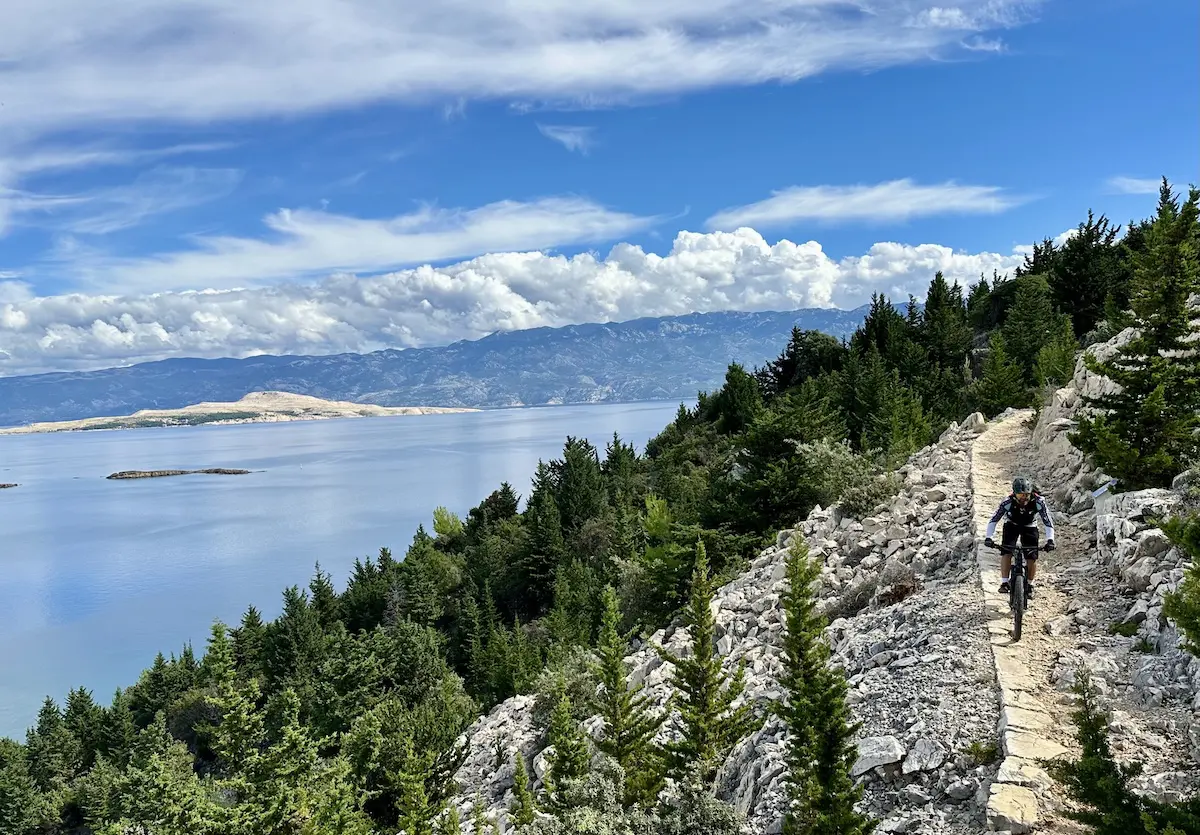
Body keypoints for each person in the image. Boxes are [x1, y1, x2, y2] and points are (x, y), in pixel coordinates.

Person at [984, 476, 1056, 597]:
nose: (1024, 497)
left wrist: (1050, 540)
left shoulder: (1039, 502)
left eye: (1026, 494)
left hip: (1030, 526)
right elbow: (994, 520)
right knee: (1006, 552)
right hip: (1012, 525)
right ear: (1014, 493)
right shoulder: (1007, 502)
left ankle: (1029, 584)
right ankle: (1004, 582)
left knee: (1031, 556)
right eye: (1020, 494)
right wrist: (988, 537)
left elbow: (1047, 521)